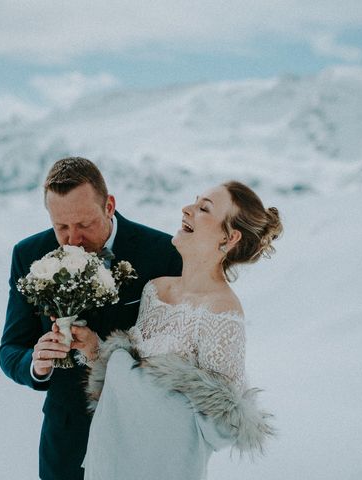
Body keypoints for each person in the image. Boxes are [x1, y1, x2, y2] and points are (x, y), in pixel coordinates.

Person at [82, 181, 281, 480]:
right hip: (110, 461)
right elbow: (123, 388)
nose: (187, 210)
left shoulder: (222, 312)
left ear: (229, 237)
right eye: (194, 202)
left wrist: (135, 378)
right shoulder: (155, 289)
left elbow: (221, 425)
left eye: (204, 209)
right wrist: (92, 349)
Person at [0, 157, 182, 480]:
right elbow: (10, 348)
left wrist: (105, 351)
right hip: (67, 444)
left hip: (140, 436)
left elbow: (177, 353)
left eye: (84, 224)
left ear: (109, 206)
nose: (73, 240)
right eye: (61, 227)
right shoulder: (28, 255)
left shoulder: (162, 252)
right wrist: (37, 363)